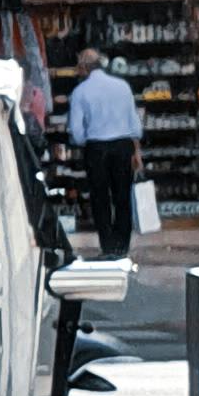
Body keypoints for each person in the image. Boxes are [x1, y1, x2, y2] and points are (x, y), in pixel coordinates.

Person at [66, 44, 142, 258]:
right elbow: (134, 124)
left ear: (84, 67)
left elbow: (77, 131)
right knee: (122, 196)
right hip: (122, 144)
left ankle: (107, 245)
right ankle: (122, 246)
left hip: (97, 147)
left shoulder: (80, 92)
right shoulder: (122, 86)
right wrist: (136, 150)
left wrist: (84, 140)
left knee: (100, 198)